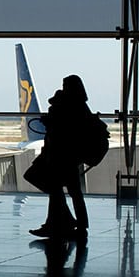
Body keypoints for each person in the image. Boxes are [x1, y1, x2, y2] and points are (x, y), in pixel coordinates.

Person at [29, 75, 92, 242]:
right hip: (70, 156)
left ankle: (61, 223)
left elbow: (62, 129)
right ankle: (74, 224)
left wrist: (50, 122)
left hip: (61, 156)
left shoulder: (69, 105)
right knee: (72, 192)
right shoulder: (81, 106)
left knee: (57, 190)